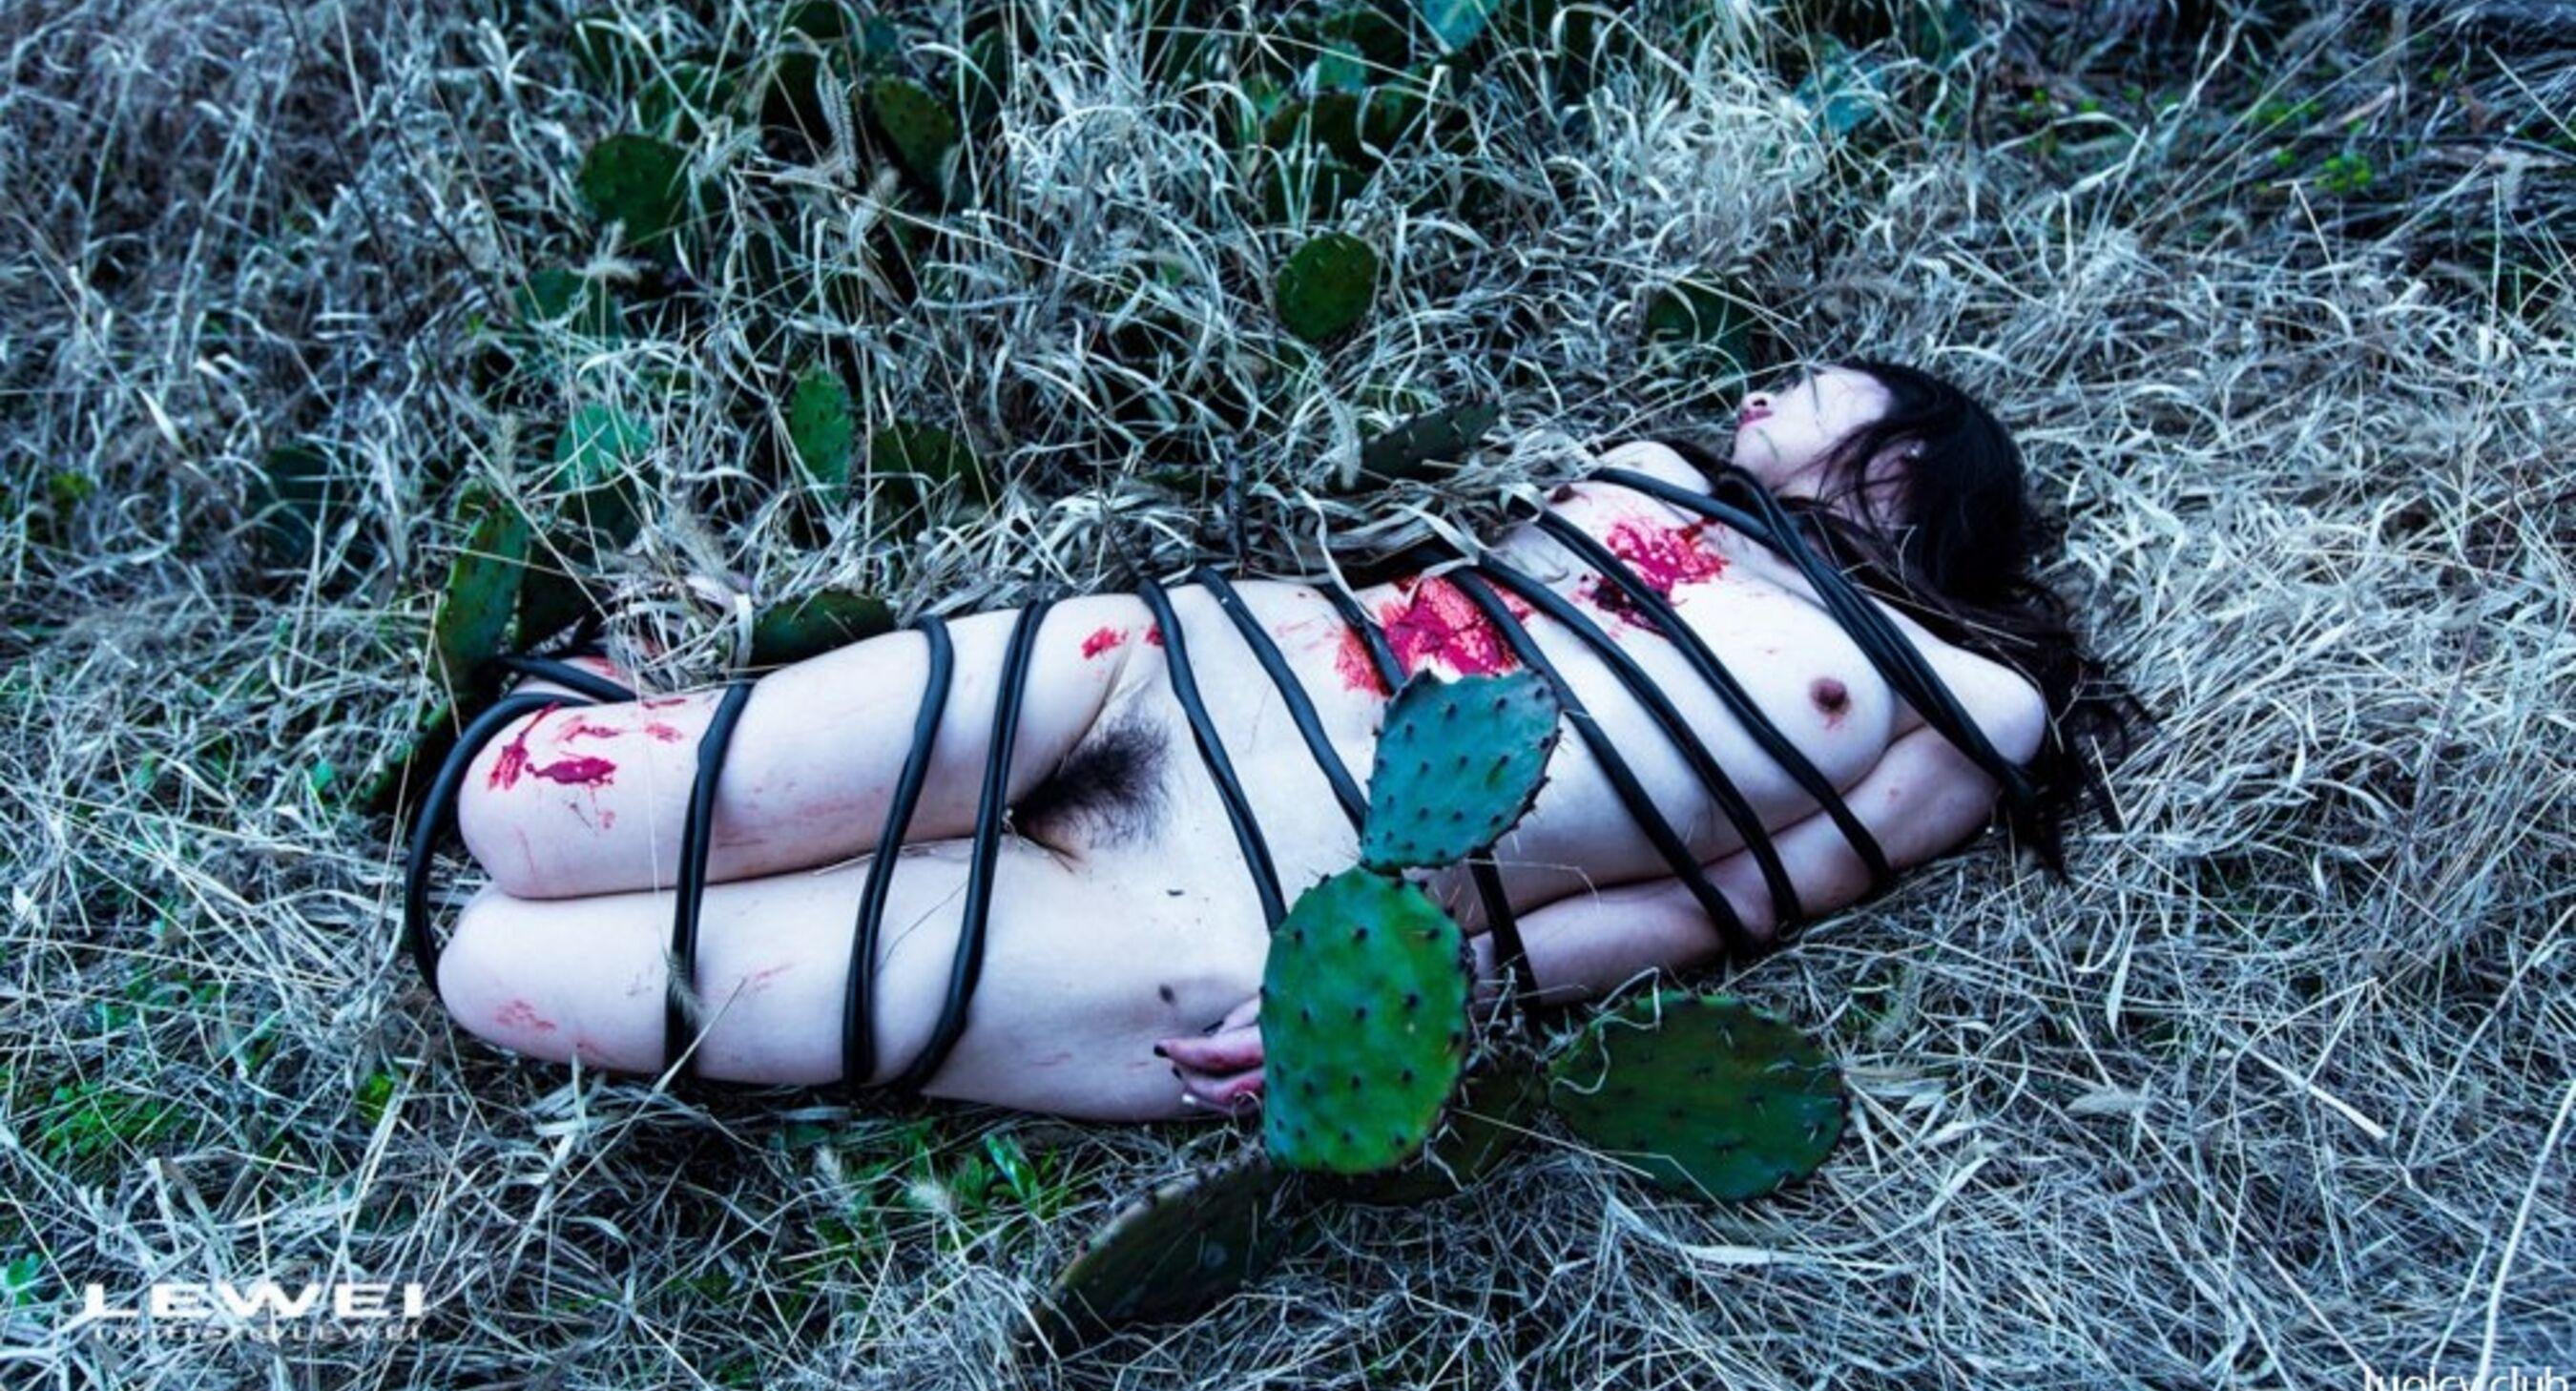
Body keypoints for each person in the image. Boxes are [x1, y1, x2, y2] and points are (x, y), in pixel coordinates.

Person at [413, 360, 2146, 1123]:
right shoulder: (1663, 474)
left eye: (1823, 381)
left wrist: (1447, 987)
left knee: (495, 967)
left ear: (1912, 455)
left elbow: (1732, 904)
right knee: (509, 808)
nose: (1767, 391)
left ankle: (616, 724)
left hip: (1254, 912)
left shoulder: (1958, 695)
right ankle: (598, 717)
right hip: (1173, 668)